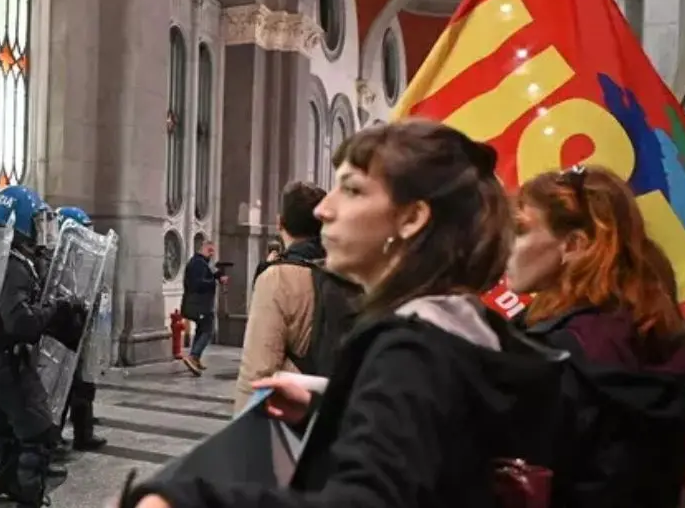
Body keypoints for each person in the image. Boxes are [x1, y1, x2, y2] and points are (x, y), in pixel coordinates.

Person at [126, 119, 567, 507]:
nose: (324, 209)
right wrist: (336, 399)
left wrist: (187, 498)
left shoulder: (413, 347)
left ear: (412, 218)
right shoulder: (464, 329)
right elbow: (433, 441)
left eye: (353, 189)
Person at [506, 164, 685, 507]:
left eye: (520, 230)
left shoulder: (552, 354)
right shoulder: (649, 329)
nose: (506, 245)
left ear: (575, 244)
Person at [0, 185, 85, 508]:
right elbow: (21, 323)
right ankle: (30, 496)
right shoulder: (14, 262)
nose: (41, 228)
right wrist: (56, 309)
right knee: (39, 434)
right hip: (9, 362)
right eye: (37, 220)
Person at [234, 181, 360, 413]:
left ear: (280, 222)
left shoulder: (278, 277)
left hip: (295, 413)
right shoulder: (352, 271)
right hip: (342, 409)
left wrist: (242, 436)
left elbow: (258, 370)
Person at [52, 206, 108, 452]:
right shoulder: (54, 260)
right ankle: (53, 438)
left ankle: (83, 433)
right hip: (61, 335)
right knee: (60, 388)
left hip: (81, 330)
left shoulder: (81, 262)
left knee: (84, 385)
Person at [180, 240, 227, 376]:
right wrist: (214, 283)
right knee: (207, 330)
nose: (211, 254)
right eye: (209, 250)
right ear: (202, 249)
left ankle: (196, 358)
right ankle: (193, 356)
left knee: (201, 329)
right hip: (198, 304)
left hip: (201, 304)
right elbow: (197, 284)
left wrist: (219, 277)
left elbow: (213, 272)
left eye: (213, 251)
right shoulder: (197, 264)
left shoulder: (204, 262)